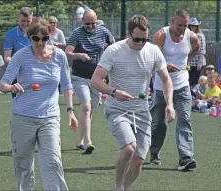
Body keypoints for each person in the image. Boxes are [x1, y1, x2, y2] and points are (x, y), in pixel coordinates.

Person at [91, 15, 175, 191]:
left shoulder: (153, 51)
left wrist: (169, 104)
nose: (141, 43)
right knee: (129, 149)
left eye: (145, 39)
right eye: (137, 39)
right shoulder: (114, 51)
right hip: (117, 109)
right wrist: (114, 92)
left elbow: (166, 79)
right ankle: (118, 187)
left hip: (142, 111)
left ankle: (124, 188)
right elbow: (96, 80)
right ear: (128, 34)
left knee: (138, 160)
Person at [0, 19, 78, 191]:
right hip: (23, 117)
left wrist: (70, 111)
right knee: (23, 165)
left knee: (53, 162)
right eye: (36, 39)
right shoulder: (21, 56)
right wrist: (11, 86)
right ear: (30, 38)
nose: (41, 42)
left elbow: (66, 85)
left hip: (49, 117)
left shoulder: (59, 56)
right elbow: (2, 84)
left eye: (45, 38)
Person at [150, 9, 200, 171]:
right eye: (179, 25)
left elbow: (196, 48)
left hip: (182, 86)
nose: (182, 29)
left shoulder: (191, 37)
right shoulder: (161, 35)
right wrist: (164, 66)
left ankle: (185, 157)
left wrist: (186, 63)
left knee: (184, 120)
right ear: (172, 21)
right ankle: (154, 152)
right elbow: (152, 56)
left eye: (185, 26)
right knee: (158, 123)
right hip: (160, 87)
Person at [65, 9, 115, 154]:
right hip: (80, 77)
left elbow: (114, 48)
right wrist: (78, 55)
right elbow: (67, 52)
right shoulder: (77, 33)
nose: (91, 27)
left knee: (90, 110)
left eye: (93, 23)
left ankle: (80, 140)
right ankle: (88, 142)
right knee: (86, 107)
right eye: (88, 24)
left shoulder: (104, 32)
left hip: (97, 78)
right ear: (83, 22)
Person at [3, 7, 33, 98]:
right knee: (18, 106)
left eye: (28, 21)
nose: (25, 24)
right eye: (23, 21)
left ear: (32, 18)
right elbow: (7, 57)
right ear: (18, 19)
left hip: (37, 74)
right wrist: (19, 65)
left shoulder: (39, 32)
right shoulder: (10, 34)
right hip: (18, 77)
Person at [188, 17, 206, 87]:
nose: (193, 27)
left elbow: (203, 49)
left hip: (197, 63)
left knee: (196, 80)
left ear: (197, 27)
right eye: (191, 26)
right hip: (189, 63)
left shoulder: (200, 36)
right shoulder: (187, 35)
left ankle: (196, 95)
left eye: (194, 26)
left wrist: (200, 62)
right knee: (188, 79)